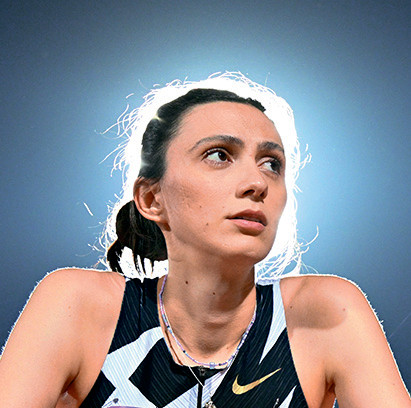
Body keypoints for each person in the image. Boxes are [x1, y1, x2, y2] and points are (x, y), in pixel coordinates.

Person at [0, 73, 409, 408]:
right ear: (152, 198)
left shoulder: (325, 314)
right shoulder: (78, 306)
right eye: (219, 155)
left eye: (272, 164)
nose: (257, 183)